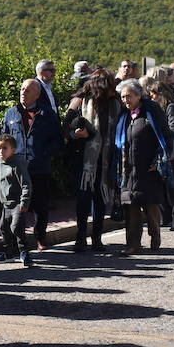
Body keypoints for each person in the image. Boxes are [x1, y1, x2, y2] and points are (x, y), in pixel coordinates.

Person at [0, 78, 61, 250]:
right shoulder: (11, 113)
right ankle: (14, 243)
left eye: (27, 90)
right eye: (22, 89)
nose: (23, 92)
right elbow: (3, 138)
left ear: (37, 94)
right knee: (14, 207)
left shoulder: (47, 114)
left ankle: (40, 237)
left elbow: (57, 140)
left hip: (39, 168)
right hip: (16, 170)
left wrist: (43, 153)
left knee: (40, 206)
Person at [114, 79, 171, 256]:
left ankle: (155, 234)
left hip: (148, 169)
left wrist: (157, 162)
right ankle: (133, 243)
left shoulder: (152, 113)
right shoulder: (123, 117)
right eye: (123, 97)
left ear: (139, 95)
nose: (125, 100)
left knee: (150, 206)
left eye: (129, 96)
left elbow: (165, 138)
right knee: (130, 207)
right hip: (127, 171)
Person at [65, 69, 119, 252]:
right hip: (84, 159)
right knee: (83, 198)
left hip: (106, 159)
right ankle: (81, 237)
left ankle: (97, 237)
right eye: (110, 84)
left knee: (101, 198)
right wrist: (77, 134)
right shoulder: (80, 100)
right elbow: (66, 127)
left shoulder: (115, 103)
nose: (114, 88)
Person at [143, 76, 174, 232]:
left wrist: (165, 145)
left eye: (153, 94)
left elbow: (173, 129)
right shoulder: (158, 109)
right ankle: (166, 217)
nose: (151, 97)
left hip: (170, 151)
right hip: (161, 150)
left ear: (160, 93)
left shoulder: (171, 107)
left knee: (172, 186)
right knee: (161, 186)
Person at [0, 134, 34, 267]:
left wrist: (24, 202)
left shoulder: (17, 164)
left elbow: (26, 184)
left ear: (13, 150)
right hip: (5, 203)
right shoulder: (0, 160)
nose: (1, 151)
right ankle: (9, 252)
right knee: (4, 228)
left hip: (17, 203)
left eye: (4, 148)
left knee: (16, 227)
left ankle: (24, 252)